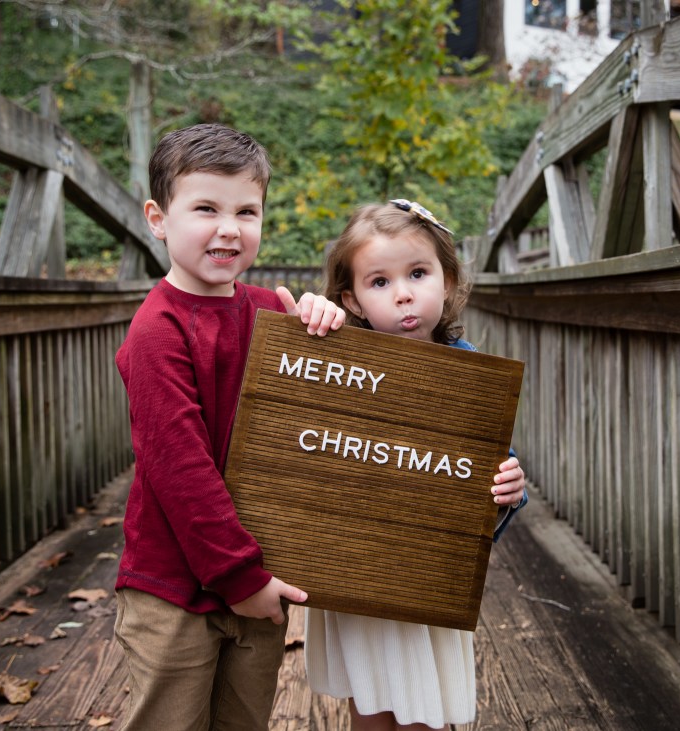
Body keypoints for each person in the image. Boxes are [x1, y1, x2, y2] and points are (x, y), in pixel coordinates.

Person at [112, 123, 346, 731]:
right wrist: (239, 578)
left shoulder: (273, 314)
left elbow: (322, 409)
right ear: (159, 219)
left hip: (259, 569)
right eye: (206, 208)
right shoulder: (157, 332)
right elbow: (178, 467)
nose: (229, 228)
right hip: (173, 585)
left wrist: (322, 318)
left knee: (244, 720)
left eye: (248, 210)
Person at [305, 199, 528, 731]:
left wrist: (509, 486)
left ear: (447, 281)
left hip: (426, 571)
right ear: (351, 300)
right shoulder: (339, 359)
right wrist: (314, 318)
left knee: (422, 704)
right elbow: (297, 411)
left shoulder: (470, 371)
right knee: (371, 699)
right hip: (359, 568)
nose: (403, 293)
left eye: (418, 273)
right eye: (378, 282)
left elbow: (489, 465)